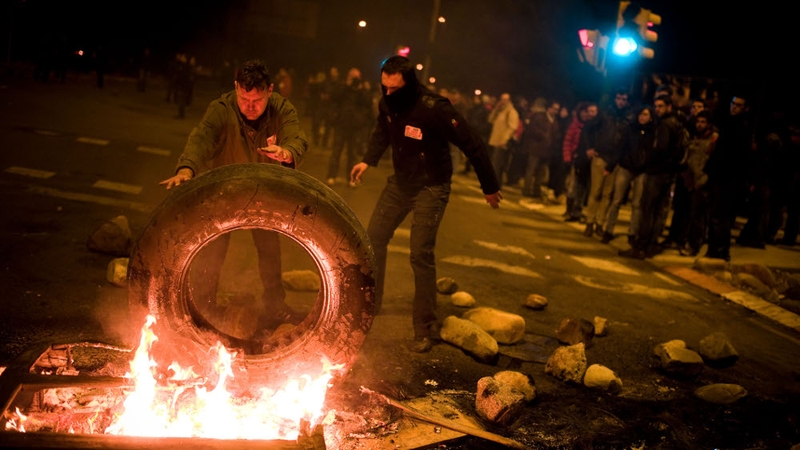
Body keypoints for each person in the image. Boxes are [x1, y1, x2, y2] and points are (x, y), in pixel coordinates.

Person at [350, 56, 502, 353]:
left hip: (432, 186)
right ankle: (371, 304)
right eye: (384, 87)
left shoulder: (435, 109)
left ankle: (425, 326)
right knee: (374, 238)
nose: (388, 94)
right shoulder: (387, 103)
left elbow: (472, 142)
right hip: (401, 183)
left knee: (420, 253)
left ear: (410, 84)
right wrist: (368, 159)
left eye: (395, 89)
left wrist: (490, 186)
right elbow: (382, 132)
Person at [160, 59, 308, 330]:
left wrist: (287, 152)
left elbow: (297, 138)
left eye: (258, 100)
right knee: (213, 247)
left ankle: (275, 306)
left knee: (269, 250)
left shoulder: (282, 109)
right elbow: (201, 138)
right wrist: (186, 168)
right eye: (244, 98)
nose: (250, 107)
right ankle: (203, 306)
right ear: (236, 88)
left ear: (270, 91)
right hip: (226, 191)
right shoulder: (220, 109)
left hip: (264, 191)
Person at [325, 67, 372, 186]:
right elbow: (334, 97)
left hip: (355, 125)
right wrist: (346, 85)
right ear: (348, 76)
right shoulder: (342, 86)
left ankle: (351, 178)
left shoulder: (361, 89)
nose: (354, 80)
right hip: (341, 123)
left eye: (356, 77)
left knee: (353, 154)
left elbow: (368, 103)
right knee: (336, 151)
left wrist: (361, 89)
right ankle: (331, 175)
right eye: (352, 76)